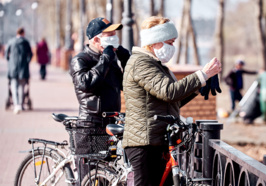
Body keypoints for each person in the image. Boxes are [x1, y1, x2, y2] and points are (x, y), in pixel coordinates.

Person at [122, 16, 222, 186]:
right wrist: (202, 75)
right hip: (143, 144)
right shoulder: (141, 64)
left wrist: (199, 86)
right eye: (170, 42)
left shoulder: (154, 64)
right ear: (155, 42)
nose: (172, 47)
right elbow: (169, 92)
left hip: (156, 140)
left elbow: (171, 101)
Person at [69, 17, 130, 185]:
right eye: (109, 34)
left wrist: (126, 60)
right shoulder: (80, 60)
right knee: (89, 178)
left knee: (105, 175)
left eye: (115, 33)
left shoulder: (110, 59)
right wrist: (105, 60)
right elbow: (86, 84)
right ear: (96, 39)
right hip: (90, 127)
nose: (114, 37)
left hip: (109, 125)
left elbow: (126, 85)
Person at [5, 27, 33, 114]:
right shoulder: (26, 42)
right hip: (23, 69)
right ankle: (21, 105)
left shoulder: (11, 42)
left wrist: (10, 62)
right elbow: (31, 54)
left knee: (14, 87)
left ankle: (16, 105)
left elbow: (6, 55)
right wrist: (27, 62)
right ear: (23, 33)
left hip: (13, 69)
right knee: (22, 87)